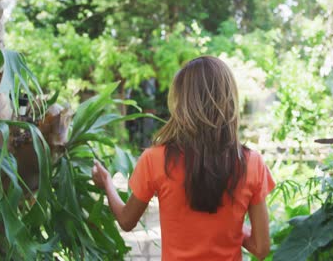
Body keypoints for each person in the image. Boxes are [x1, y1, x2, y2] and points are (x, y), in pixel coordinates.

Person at [92, 56, 275, 260]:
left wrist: (107, 183)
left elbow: (127, 221)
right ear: (229, 99)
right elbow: (261, 248)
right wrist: (232, 227)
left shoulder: (155, 159)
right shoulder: (250, 163)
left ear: (181, 102)